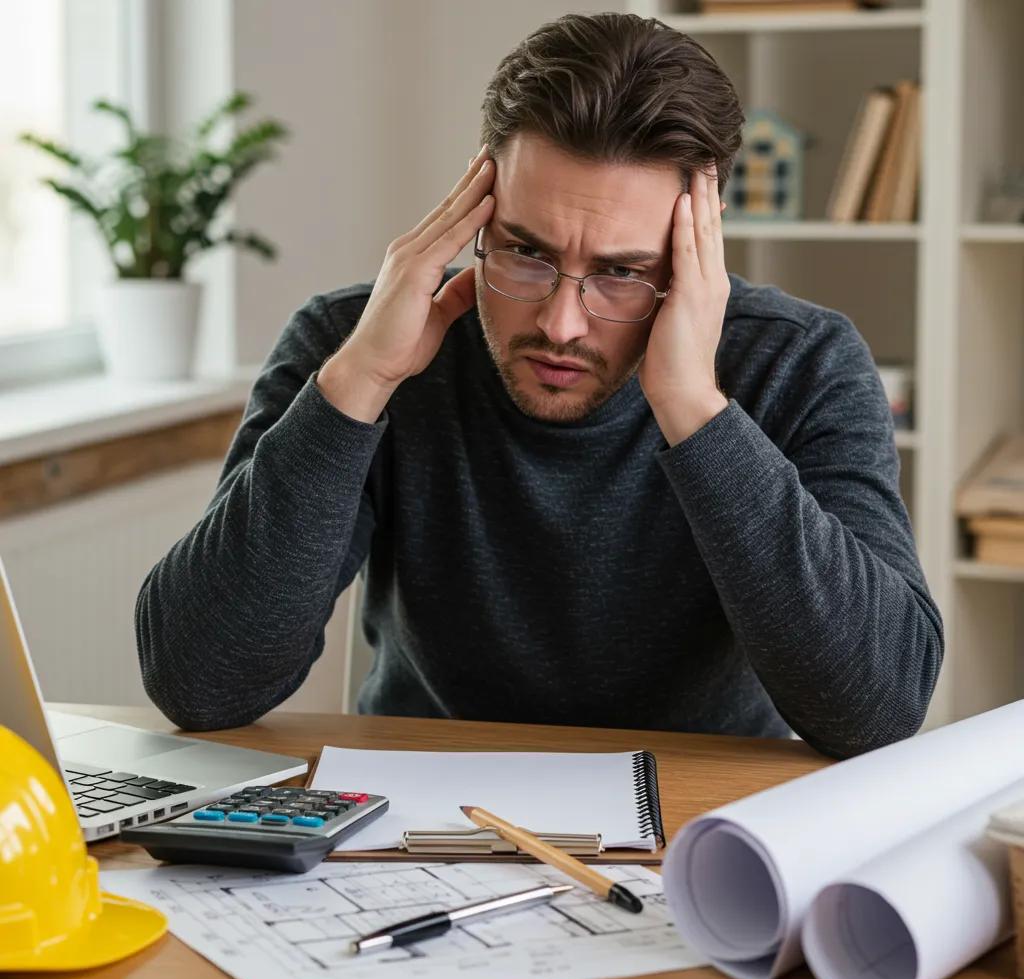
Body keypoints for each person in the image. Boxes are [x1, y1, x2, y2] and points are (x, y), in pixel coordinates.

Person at [136, 12, 942, 759]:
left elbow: (878, 708)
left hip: (705, 824)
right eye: (525, 252)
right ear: (474, 211)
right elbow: (201, 686)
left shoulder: (802, 362)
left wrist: (694, 408)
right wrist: (358, 384)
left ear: (699, 244)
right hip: (421, 810)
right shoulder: (353, 346)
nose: (561, 322)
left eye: (624, 272)